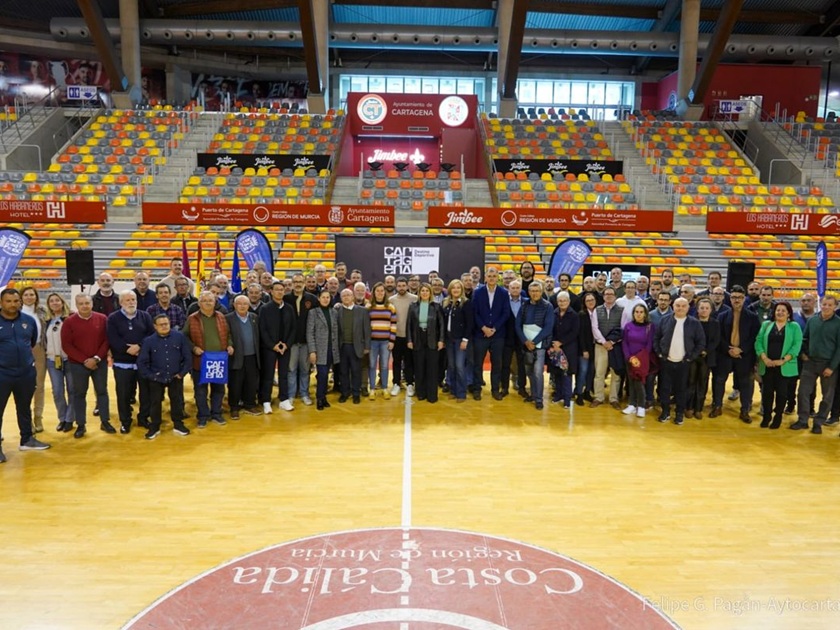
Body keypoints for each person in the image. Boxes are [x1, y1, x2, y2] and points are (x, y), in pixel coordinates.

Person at [0, 288, 50, 462]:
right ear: (1, 303)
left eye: (16, 301)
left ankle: (27, 439)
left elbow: (32, 341)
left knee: (24, 407)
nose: (13, 304)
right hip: (2, 373)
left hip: (25, 372)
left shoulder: (28, 321)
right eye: (8, 301)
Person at [62, 294, 113, 438]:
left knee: (102, 391)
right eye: (81, 303)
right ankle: (81, 425)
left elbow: (107, 340)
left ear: (92, 304)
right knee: (79, 394)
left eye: (87, 303)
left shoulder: (102, 319)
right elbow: (66, 345)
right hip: (78, 365)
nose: (84, 306)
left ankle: (105, 421)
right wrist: (85, 360)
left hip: (99, 363)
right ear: (76, 305)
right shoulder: (69, 322)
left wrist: (96, 358)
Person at [790, 294, 840, 433]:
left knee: (827, 396)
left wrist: (832, 367)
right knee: (803, 392)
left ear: (835, 307)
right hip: (810, 362)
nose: (826, 307)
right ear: (820, 304)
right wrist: (803, 353)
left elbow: (839, 348)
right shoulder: (812, 320)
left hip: (828, 364)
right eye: (824, 304)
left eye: (830, 305)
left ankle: (819, 422)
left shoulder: (838, 323)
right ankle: (803, 420)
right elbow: (804, 338)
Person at [137, 315, 192, 439]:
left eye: (166, 323)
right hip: (156, 377)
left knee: (176, 401)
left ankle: (178, 424)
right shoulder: (148, 341)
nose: (164, 326)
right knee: (155, 402)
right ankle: (155, 426)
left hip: (175, 376)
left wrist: (182, 373)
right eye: (161, 324)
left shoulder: (180, 337)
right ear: (155, 326)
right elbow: (141, 362)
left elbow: (187, 357)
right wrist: (151, 376)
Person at [107, 290, 154, 434]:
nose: (131, 302)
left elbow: (151, 334)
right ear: (121, 302)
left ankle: (143, 418)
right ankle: (125, 421)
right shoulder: (113, 318)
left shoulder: (145, 316)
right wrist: (127, 349)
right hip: (122, 362)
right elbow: (112, 338)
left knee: (146, 393)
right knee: (123, 394)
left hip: (143, 362)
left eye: (133, 299)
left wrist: (139, 346)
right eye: (127, 300)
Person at [712, 285, 760, 422]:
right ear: (730, 299)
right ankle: (717, 406)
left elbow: (754, 337)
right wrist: (729, 349)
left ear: (744, 299)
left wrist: (741, 349)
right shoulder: (722, 316)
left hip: (744, 355)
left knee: (745, 383)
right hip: (725, 354)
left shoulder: (752, 317)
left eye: (739, 297)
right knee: (719, 380)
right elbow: (719, 336)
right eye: (733, 297)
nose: (736, 300)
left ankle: (745, 410)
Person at [654, 297, 705, 425]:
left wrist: (691, 357)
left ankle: (679, 413)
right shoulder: (664, 320)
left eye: (683, 306)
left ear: (688, 308)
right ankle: (665, 411)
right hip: (666, 361)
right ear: (673, 306)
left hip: (684, 362)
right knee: (664, 388)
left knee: (681, 389)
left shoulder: (694, 323)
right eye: (678, 305)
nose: (680, 308)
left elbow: (700, 342)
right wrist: (659, 353)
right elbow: (656, 338)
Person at [186, 291, 234, 428]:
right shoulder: (192, 318)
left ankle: (216, 413)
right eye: (204, 300)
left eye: (210, 300)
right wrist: (193, 348)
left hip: (219, 360)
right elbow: (184, 337)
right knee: (200, 391)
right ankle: (203, 416)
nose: (208, 303)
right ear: (199, 303)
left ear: (215, 302)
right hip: (200, 360)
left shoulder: (221, 317)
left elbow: (228, 334)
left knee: (219, 389)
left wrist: (230, 345)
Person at [754, 302, 802, 430]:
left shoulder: (794, 326)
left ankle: (778, 417)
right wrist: (764, 358)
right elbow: (758, 342)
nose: (780, 312)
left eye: (783, 310)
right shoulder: (766, 325)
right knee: (767, 393)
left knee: (782, 394)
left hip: (784, 366)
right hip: (767, 365)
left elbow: (796, 346)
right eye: (777, 310)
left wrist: (783, 360)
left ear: (788, 313)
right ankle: (766, 416)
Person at [472, 267, 510, 401]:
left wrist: (494, 328)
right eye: (489, 276)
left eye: (494, 276)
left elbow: (506, 313)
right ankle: (477, 389)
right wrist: (483, 328)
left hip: (498, 335)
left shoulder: (504, 293)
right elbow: (474, 313)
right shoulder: (478, 292)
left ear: (498, 277)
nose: (492, 278)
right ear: (486, 277)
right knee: (478, 364)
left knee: (497, 364)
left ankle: (495, 390)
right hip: (480, 334)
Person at [516, 280, 555, 410]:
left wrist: (534, 342)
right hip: (526, 345)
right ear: (528, 292)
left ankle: (539, 399)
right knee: (529, 371)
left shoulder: (548, 306)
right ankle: (533, 394)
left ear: (541, 291)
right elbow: (517, 325)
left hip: (540, 345)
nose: (535, 293)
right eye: (532, 291)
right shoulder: (524, 305)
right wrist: (525, 341)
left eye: (537, 291)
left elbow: (548, 327)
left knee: (538, 372)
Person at [258, 282, 295, 413]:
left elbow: (293, 328)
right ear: (271, 292)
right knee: (268, 375)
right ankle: (266, 401)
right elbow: (262, 329)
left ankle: (284, 400)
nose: (279, 292)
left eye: (281, 290)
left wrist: (287, 344)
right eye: (277, 290)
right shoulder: (265, 308)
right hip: (270, 348)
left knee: (283, 374)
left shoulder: (289, 308)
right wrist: (272, 345)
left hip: (285, 347)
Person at [407, 283, 445, 403]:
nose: (424, 293)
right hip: (418, 338)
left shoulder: (436, 307)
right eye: (422, 291)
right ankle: (421, 393)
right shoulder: (413, 306)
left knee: (432, 368)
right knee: (419, 367)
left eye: (427, 291)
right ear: (419, 293)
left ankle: (432, 395)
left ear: (430, 293)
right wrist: (409, 340)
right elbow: (409, 325)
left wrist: (441, 340)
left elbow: (442, 325)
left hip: (432, 339)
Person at [225, 295, 262, 420]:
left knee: (251, 382)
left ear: (249, 305)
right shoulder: (228, 318)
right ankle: (234, 407)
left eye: (245, 304)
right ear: (234, 305)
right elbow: (225, 335)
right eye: (239, 304)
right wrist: (229, 345)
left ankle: (250, 404)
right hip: (236, 356)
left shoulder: (254, 317)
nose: (242, 306)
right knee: (235, 383)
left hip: (252, 355)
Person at [284, 274, 318, 407]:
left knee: (305, 369)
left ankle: (304, 394)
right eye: (295, 282)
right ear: (292, 283)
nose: (298, 284)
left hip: (306, 341)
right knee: (291, 369)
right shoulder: (286, 298)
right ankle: (291, 395)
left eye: (300, 281)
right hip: (291, 342)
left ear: (304, 283)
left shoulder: (312, 299)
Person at [44, 293, 74, 432]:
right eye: (52, 301)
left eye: (57, 300)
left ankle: (69, 419)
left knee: (72, 390)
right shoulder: (46, 321)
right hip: (52, 360)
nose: (55, 303)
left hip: (70, 360)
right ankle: (62, 418)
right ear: (48, 304)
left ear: (62, 302)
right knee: (57, 391)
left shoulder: (70, 318)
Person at [686, 297, 721, 419]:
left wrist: (706, 350)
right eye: (702, 308)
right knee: (690, 381)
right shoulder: (691, 322)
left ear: (711, 310)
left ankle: (698, 408)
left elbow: (716, 340)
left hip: (707, 357)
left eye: (707, 308)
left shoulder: (715, 323)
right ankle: (689, 407)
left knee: (702, 382)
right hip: (693, 356)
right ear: (697, 309)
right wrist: (697, 351)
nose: (704, 310)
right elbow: (688, 338)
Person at [336, 288, 371, 404]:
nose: (346, 297)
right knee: (343, 371)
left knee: (356, 371)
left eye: (348, 295)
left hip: (356, 346)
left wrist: (367, 346)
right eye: (344, 295)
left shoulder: (362, 311)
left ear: (353, 297)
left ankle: (356, 393)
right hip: (342, 346)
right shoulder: (337, 311)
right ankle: (345, 393)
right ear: (341, 298)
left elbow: (367, 330)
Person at [591, 287, 624, 409]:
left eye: (611, 294)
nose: (609, 296)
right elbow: (594, 328)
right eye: (606, 294)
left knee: (616, 374)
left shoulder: (622, 310)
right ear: (603, 296)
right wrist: (604, 342)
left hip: (616, 346)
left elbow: (623, 328)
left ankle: (614, 399)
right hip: (600, 346)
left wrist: (612, 342)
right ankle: (598, 397)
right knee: (599, 373)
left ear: (615, 296)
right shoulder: (597, 310)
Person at [307, 290, 340, 410]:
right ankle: (320, 398)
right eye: (323, 297)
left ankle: (324, 397)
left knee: (327, 374)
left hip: (332, 348)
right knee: (322, 374)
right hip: (320, 349)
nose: (326, 299)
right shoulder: (313, 313)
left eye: (328, 297)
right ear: (319, 298)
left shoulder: (334, 312)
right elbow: (310, 333)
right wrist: (312, 351)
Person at [20, 286, 47, 434]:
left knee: (39, 385)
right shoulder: (15, 312)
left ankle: (38, 416)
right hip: (21, 351)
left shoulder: (42, 312)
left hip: (39, 349)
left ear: (36, 297)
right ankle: (27, 419)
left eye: (32, 294)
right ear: (21, 297)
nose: (29, 297)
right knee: (24, 387)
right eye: (26, 295)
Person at [442, 279, 473, 403]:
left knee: (460, 366)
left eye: (458, 288)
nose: (456, 290)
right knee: (451, 366)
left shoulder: (466, 303)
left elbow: (470, 323)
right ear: (450, 289)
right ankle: (454, 391)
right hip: (449, 339)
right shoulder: (446, 303)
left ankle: (461, 393)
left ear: (462, 290)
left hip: (461, 339)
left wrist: (465, 340)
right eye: (453, 288)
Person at [622, 304, 654, 418]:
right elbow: (625, 342)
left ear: (645, 314)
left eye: (641, 312)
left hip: (642, 359)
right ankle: (632, 404)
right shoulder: (628, 326)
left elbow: (649, 344)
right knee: (631, 381)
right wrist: (629, 357)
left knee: (639, 382)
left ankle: (641, 406)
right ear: (633, 313)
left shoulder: (650, 327)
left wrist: (639, 358)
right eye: (636, 312)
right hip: (630, 358)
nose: (638, 314)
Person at [389, 277, 418, 397]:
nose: (401, 288)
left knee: (409, 362)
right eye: (399, 286)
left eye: (403, 285)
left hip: (409, 337)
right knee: (396, 361)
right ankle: (396, 383)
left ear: (407, 286)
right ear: (396, 287)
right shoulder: (391, 300)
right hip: (396, 336)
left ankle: (410, 383)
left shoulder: (414, 298)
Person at [367, 282, 396, 400]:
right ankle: (372, 389)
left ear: (385, 293)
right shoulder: (369, 307)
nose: (380, 293)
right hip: (372, 342)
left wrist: (392, 340)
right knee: (372, 365)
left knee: (384, 365)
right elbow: (365, 325)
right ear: (374, 292)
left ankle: (384, 388)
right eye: (377, 291)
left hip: (385, 342)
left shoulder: (390, 307)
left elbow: (393, 324)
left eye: (382, 291)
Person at [550, 291, 579, 408]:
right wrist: (554, 343)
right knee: (557, 372)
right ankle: (558, 395)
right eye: (560, 301)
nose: (562, 303)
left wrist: (561, 342)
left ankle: (567, 399)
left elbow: (575, 332)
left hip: (568, 348)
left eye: (564, 301)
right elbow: (550, 329)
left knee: (566, 374)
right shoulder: (553, 313)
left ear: (569, 301)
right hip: (555, 348)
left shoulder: (574, 315)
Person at [502, 279, 526, 398]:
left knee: (522, 365)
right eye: (513, 288)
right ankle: (504, 388)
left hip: (522, 338)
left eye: (517, 288)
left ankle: (522, 388)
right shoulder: (503, 301)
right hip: (507, 337)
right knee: (505, 364)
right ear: (509, 289)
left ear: (521, 289)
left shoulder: (526, 302)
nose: (515, 290)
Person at [575, 292, 597, 406]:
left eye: (592, 300)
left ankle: (587, 392)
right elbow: (580, 334)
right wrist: (584, 350)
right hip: (584, 348)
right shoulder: (581, 314)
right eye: (588, 300)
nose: (590, 302)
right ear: (584, 302)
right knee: (583, 371)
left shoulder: (598, 313)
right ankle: (579, 393)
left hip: (595, 348)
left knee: (591, 372)